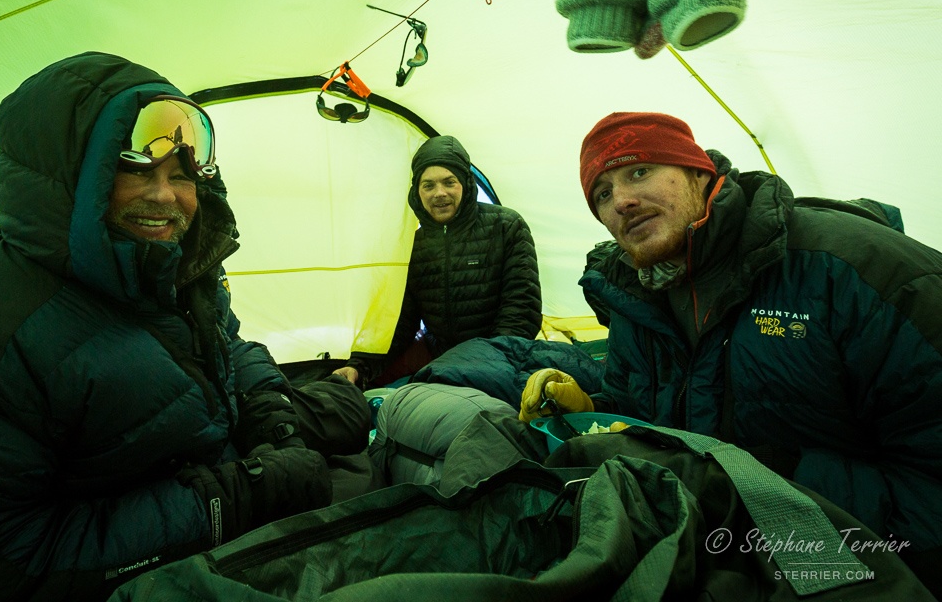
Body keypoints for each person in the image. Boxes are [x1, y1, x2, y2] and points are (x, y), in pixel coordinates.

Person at [0, 52, 370, 601]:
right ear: (66, 180)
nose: (164, 196)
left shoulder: (172, 271)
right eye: (134, 171)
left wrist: (274, 420)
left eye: (181, 176)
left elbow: (228, 345)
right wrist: (230, 500)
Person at [519, 111, 942, 595]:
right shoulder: (634, 300)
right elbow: (651, 425)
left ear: (699, 172)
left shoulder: (858, 273)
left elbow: (929, 483)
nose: (623, 201)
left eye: (639, 171)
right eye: (603, 193)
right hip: (705, 545)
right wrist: (595, 409)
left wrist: (762, 489)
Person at [333, 135, 542, 388]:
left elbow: (521, 311)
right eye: (428, 185)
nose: (439, 193)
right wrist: (359, 366)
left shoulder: (506, 226)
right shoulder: (412, 244)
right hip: (440, 353)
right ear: (417, 191)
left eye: (448, 182)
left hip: (500, 355)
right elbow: (399, 322)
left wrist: (484, 363)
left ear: (465, 183)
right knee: (367, 392)